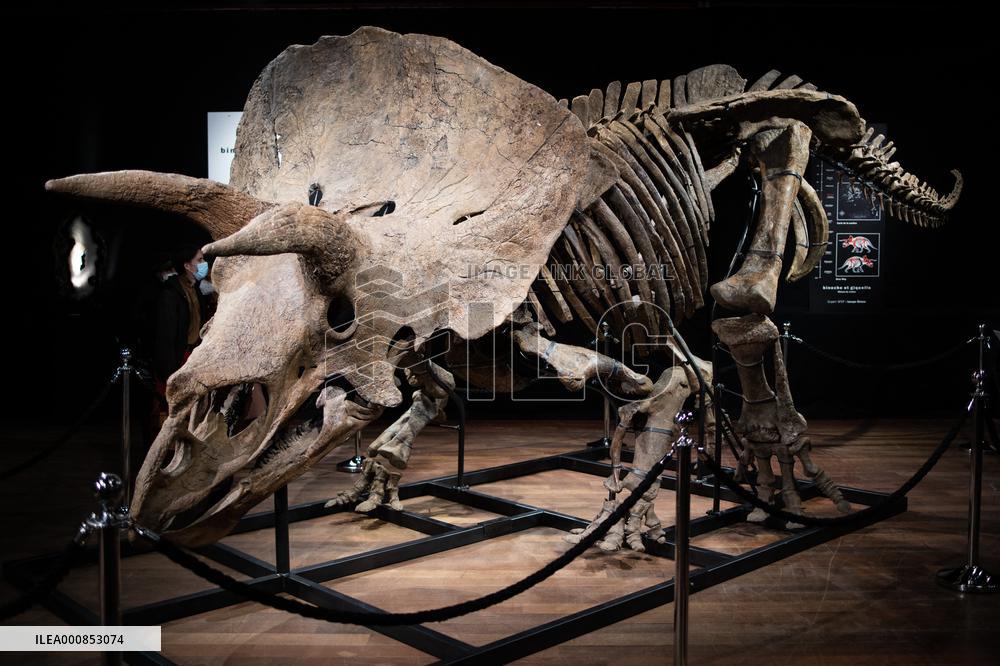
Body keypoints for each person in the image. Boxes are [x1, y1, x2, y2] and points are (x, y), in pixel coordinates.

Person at [152, 246, 209, 419]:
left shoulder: (196, 290)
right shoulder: (170, 295)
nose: (204, 264)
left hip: (192, 356)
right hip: (178, 358)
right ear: (187, 266)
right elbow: (166, 336)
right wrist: (169, 373)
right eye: (199, 260)